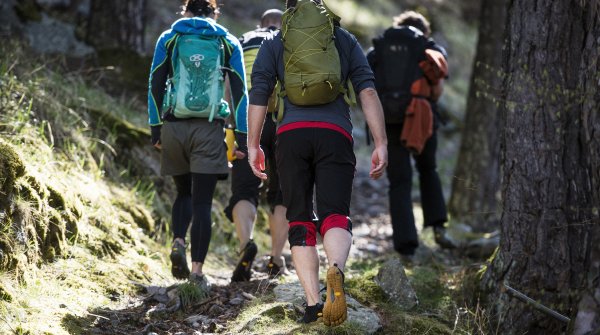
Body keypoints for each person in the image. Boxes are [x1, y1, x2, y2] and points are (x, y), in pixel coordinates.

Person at [247, 0, 388, 326]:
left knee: (299, 218)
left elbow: (259, 93)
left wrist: (253, 144)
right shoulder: (342, 38)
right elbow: (367, 91)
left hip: (291, 135)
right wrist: (380, 142)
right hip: (335, 133)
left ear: (289, 8)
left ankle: (313, 305)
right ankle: (335, 269)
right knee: (335, 213)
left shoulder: (275, 40)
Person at [147, 0, 247, 289]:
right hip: (209, 128)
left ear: (186, 11)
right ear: (215, 13)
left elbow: (155, 83)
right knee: (203, 201)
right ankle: (197, 272)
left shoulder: (170, 37)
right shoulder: (227, 41)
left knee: (182, 193)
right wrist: (241, 137)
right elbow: (241, 92)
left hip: (174, 127)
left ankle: (178, 240)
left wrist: (156, 128)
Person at [367, 11, 454, 261]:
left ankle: (406, 248)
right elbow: (436, 90)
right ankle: (438, 228)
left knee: (399, 181)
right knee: (428, 170)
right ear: (423, 30)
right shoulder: (425, 46)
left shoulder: (380, 47)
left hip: (389, 119)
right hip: (421, 118)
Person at [225, 8, 290, 282]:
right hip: (283, 121)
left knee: (244, 190)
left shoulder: (243, 40)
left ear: (260, 23)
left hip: (246, 121)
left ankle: (246, 246)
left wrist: (229, 124)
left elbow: (230, 84)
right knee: (282, 192)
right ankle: (276, 258)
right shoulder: (289, 40)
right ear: (281, 23)